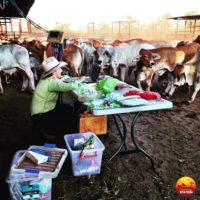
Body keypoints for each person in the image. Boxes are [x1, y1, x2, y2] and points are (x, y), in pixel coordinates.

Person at [30, 56, 86, 139]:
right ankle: (61, 135)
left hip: (41, 111)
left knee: (68, 109)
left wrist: (63, 78)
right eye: (59, 69)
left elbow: (58, 81)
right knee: (71, 117)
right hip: (41, 115)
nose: (61, 70)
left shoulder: (47, 79)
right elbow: (68, 86)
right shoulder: (51, 82)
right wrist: (80, 80)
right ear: (54, 72)